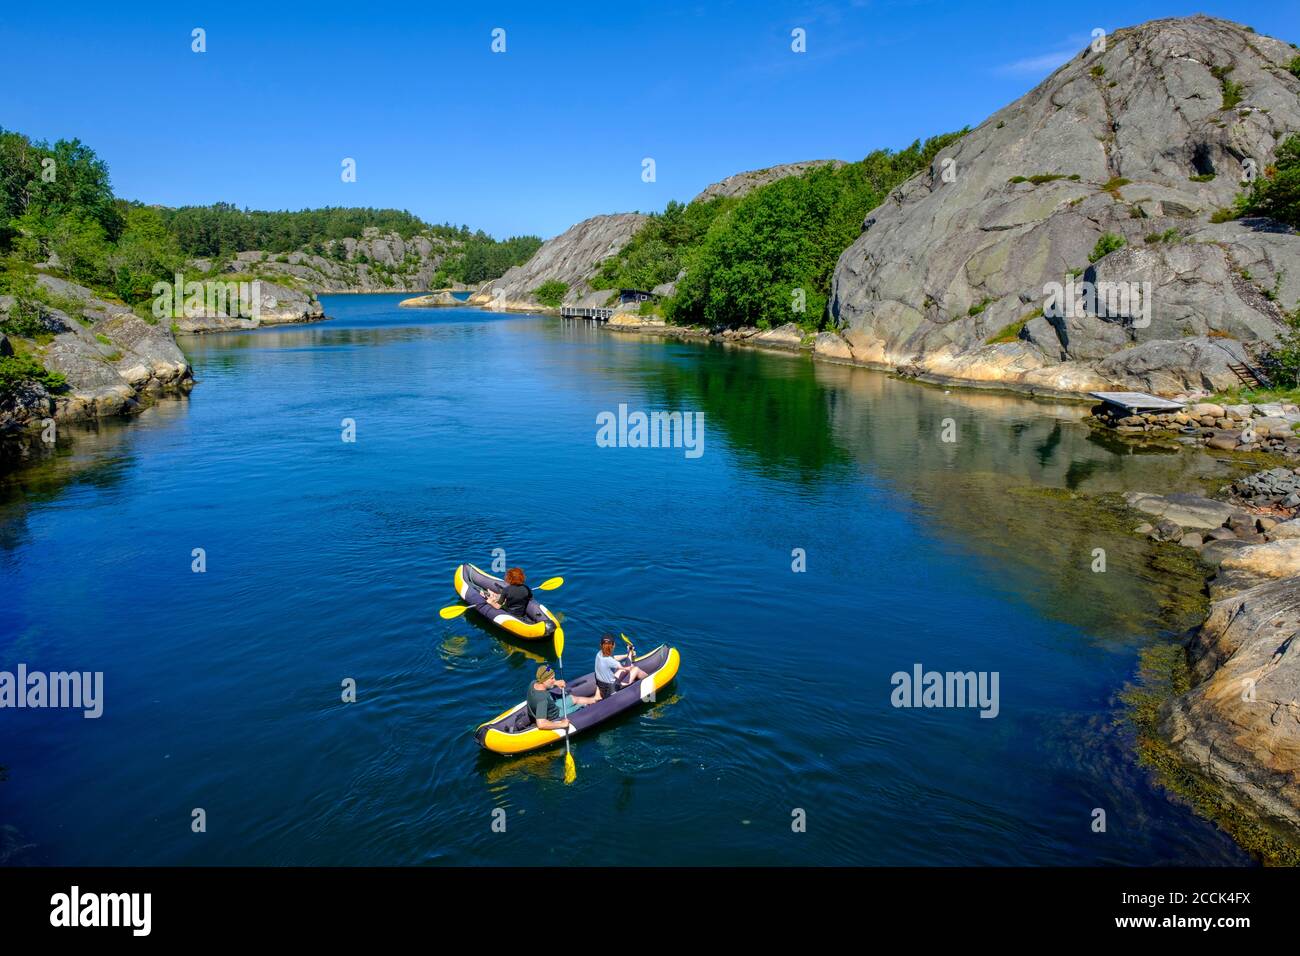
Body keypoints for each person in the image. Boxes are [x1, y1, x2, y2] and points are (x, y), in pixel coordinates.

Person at [526, 665, 597, 730]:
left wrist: (555, 682)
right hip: (555, 716)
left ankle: (595, 699)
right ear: (544, 680)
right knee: (581, 706)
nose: (554, 679)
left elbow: (546, 675)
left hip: (554, 707)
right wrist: (562, 724)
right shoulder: (542, 699)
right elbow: (541, 724)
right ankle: (597, 703)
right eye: (552, 678)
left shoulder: (533, 683)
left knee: (573, 698)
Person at [594, 634, 648, 700]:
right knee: (635, 669)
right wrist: (630, 653)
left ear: (601, 645)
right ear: (614, 645)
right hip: (613, 690)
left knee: (622, 670)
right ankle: (648, 678)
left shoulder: (599, 655)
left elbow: (613, 658)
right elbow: (628, 667)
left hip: (605, 686)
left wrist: (627, 655)